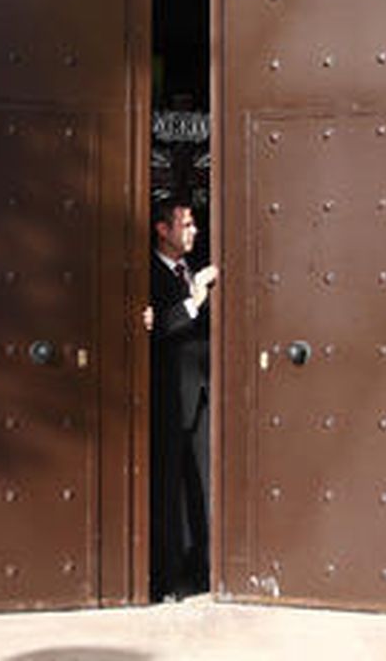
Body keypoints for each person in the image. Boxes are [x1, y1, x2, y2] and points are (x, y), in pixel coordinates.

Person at [145, 198, 217, 600]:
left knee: (203, 488)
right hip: (171, 401)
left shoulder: (196, 264)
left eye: (193, 224)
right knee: (168, 491)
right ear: (162, 230)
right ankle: (168, 578)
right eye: (186, 225)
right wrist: (194, 301)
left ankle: (204, 570)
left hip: (203, 397)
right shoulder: (147, 272)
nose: (194, 232)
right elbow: (155, 330)